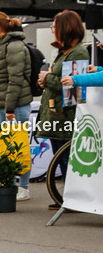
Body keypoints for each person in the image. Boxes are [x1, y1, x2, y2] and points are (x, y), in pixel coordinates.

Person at [36, 10, 89, 206]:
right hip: (56, 114)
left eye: (55, 27)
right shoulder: (65, 52)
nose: (53, 31)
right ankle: (69, 198)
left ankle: (74, 199)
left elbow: (74, 89)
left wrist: (47, 78)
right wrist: (45, 81)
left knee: (67, 158)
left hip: (65, 115)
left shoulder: (78, 52)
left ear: (65, 29)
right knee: (62, 158)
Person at [0, 12, 33, 200]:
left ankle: (23, 187)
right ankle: (8, 184)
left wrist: (10, 109)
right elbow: (0, 80)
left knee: (19, 144)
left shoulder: (13, 46)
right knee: (3, 145)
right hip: (4, 104)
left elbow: (15, 80)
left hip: (16, 104)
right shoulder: (1, 46)